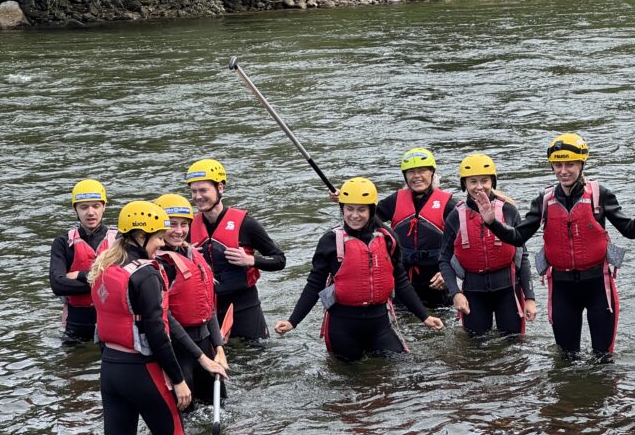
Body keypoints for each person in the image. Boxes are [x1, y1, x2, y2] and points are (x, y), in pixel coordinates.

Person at [472, 133, 635, 356]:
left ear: (581, 164)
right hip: (562, 289)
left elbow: (630, 230)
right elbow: (517, 237)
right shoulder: (544, 200)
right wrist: (491, 222)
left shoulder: (600, 195)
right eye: (558, 165)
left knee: (603, 358)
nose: (563, 171)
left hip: (598, 286)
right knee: (566, 358)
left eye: (570, 164)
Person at [88, 200, 227, 435]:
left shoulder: (105, 266)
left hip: (110, 370)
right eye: (158, 238)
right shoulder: (147, 273)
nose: (162, 244)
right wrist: (178, 380)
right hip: (142, 371)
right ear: (141, 237)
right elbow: (158, 332)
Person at [275, 178, 444, 360]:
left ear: (372, 210)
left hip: (379, 325)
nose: (355, 215)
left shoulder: (388, 238)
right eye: (349, 209)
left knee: (403, 367)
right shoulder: (330, 241)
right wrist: (293, 321)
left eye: (361, 209)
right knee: (350, 375)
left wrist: (424, 317)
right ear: (342, 209)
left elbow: (401, 282)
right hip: (342, 328)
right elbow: (314, 285)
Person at [185, 158, 286, 341]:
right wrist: (185, 256)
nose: (198, 196)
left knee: (256, 355)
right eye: (194, 191)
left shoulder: (246, 224)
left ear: (220, 188)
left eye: (203, 190)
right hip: (208, 311)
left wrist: (251, 260)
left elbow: (280, 260)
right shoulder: (187, 229)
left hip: (245, 307)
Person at [439, 154, 537, 336]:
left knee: (513, 344)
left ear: (493, 182)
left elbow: (522, 256)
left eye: (484, 180)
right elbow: (444, 259)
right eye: (473, 181)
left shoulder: (508, 210)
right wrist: (456, 293)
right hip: (473, 292)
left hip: (508, 290)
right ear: (464, 184)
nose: (479, 187)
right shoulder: (455, 217)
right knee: (475, 346)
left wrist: (530, 298)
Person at [154, 193, 228, 407]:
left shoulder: (192, 254)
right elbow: (165, 317)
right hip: (179, 352)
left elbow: (207, 304)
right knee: (185, 417)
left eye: (184, 224)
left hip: (205, 345)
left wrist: (219, 348)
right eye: (172, 224)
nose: (179, 231)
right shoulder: (157, 265)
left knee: (221, 408)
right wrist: (201, 358)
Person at [376, 147, 456, 308]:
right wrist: (345, 201)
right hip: (404, 280)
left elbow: (465, 243)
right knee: (404, 317)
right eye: (411, 172)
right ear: (405, 176)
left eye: (422, 171)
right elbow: (364, 217)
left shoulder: (448, 205)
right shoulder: (394, 201)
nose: (417, 176)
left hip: (437, 281)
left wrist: (449, 272)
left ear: (432, 173)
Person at [49, 179, 115, 342]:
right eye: (84, 207)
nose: (90, 212)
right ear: (75, 210)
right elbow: (58, 285)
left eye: (96, 206)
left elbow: (128, 282)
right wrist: (103, 281)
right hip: (76, 326)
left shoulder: (118, 240)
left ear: (104, 207)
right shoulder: (63, 243)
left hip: (111, 325)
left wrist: (79, 275)